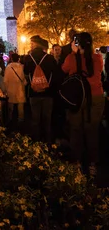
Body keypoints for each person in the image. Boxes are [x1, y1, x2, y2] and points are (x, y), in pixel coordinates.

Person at [62, 32, 104, 176]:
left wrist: (74, 53)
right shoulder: (98, 58)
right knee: (92, 130)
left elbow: (64, 69)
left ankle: (77, 162)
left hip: (78, 98)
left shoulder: (71, 58)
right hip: (96, 97)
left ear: (77, 44)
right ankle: (93, 163)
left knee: (75, 130)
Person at [23, 36, 57, 143]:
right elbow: (55, 73)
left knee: (35, 119)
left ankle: (37, 141)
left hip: (34, 92)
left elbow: (26, 73)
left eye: (32, 43)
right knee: (47, 119)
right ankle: (48, 141)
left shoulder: (28, 58)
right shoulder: (49, 58)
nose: (30, 45)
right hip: (48, 93)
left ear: (36, 44)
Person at [4, 53, 26, 124]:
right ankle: (21, 119)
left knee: (11, 104)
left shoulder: (8, 67)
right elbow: (24, 78)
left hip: (11, 88)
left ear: (11, 59)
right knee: (20, 105)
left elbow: (5, 80)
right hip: (20, 88)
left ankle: (10, 118)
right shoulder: (22, 67)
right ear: (18, 59)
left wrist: (6, 89)